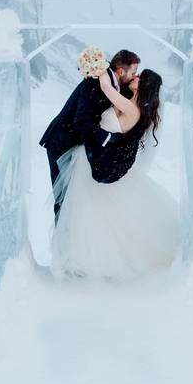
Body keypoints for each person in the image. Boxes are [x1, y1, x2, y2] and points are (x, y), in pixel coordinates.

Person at [49, 68, 181, 281]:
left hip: (90, 162)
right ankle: (83, 258)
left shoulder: (131, 108)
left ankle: (88, 260)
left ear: (145, 85)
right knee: (89, 213)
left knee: (87, 212)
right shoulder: (131, 104)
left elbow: (105, 88)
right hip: (88, 160)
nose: (135, 77)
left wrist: (100, 68)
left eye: (140, 77)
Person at [39, 49, 142, 224]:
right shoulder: (96, 83)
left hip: (74, 142)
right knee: (63, 198)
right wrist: (108, 139)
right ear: (121, 71)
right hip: (61, 143)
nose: (134, 76)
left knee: (74, 197)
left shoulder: (109, 81)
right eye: (133, 72)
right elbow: (81, 121)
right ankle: (61, 243)